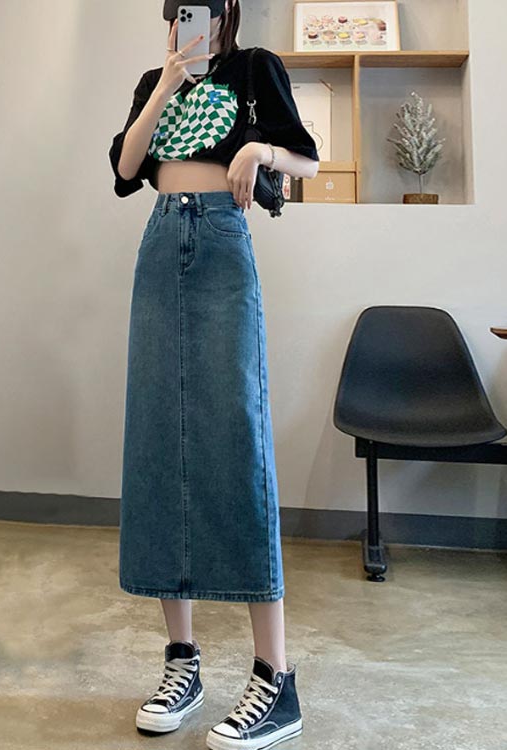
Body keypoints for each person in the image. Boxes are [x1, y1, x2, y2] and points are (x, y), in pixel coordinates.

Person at [108, 2, 319, 748]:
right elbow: (126, 170)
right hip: (160, 243)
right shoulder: (154, 81)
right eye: (175, 12)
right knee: (159, 438)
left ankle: (275, 677)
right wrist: (166, 85)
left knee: (238, 439)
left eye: (197, 9)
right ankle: (183, 661)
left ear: (226, 10)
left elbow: (307, 159)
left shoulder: (254, 68)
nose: (184, 22)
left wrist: (259, 148)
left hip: (223, 243)